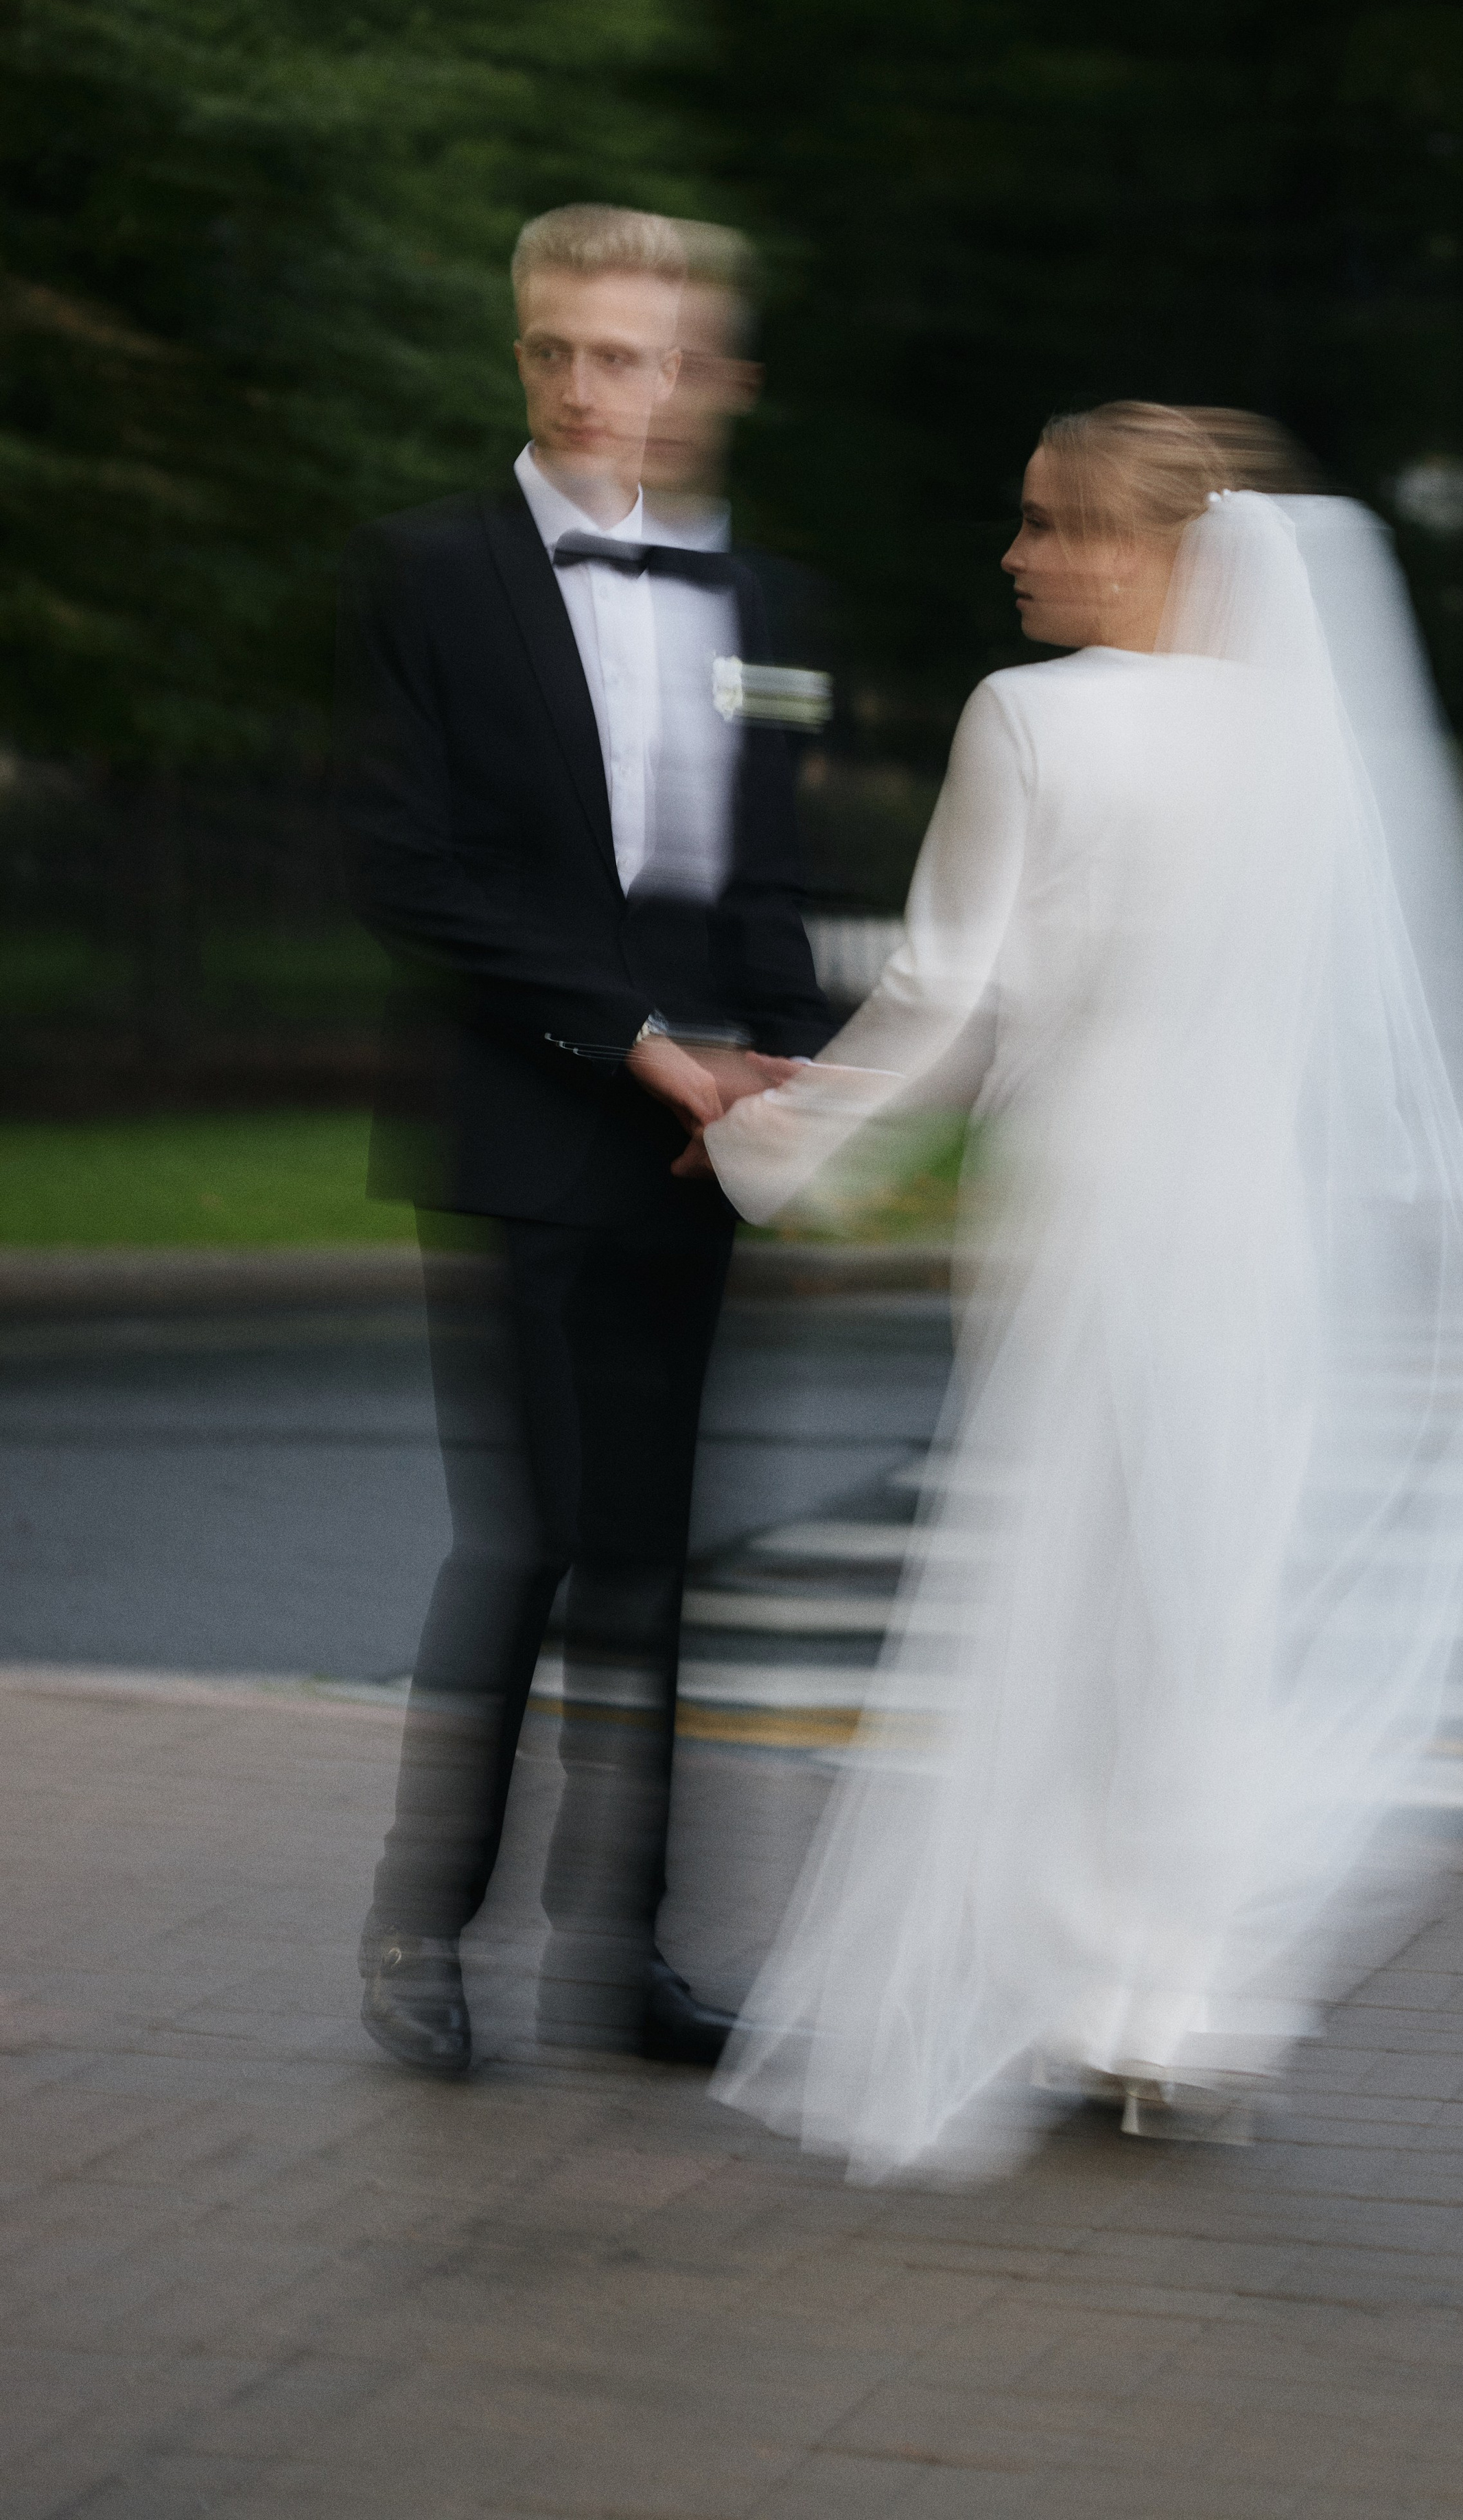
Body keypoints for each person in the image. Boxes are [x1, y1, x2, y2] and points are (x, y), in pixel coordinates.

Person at [696, 403, 1463, 2178]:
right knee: (1212, 1605)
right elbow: (1370, 1018)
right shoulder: (1317, 739)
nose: (1021, 556)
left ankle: (1106, 1991)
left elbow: (957, 1004)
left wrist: (771, 1149)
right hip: (1267, 1231)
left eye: (1058, 525)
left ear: (1163, 548)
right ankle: (1186, 2002)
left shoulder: (1036, 720)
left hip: (1099, 1216)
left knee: (1080, 1606)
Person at [336, 203, 831, 2079]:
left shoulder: (774, 606)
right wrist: (645, 1048)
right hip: (532, 1124)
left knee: (662, 1554)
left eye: (629, 352)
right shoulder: (423, 574)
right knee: (535, 1537)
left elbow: (770, 886)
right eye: (557, 347)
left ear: (709, 377)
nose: (587, 384)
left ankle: (622, 1963)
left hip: (713, 1154)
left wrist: (779, 1079)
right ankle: (422, 1927)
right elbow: (412, 875)